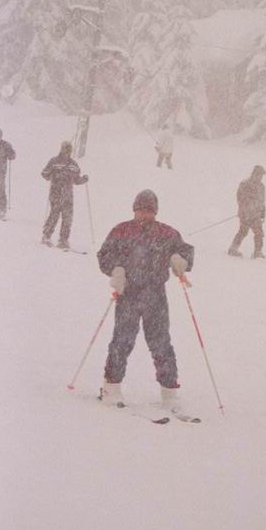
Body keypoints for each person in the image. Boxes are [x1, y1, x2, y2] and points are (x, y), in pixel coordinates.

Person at [97, 189, 194, 411]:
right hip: (128, 293)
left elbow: (185, 251)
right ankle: (111, 387)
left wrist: (180, 260)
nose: (144, 215)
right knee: (122, 341)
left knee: (161, 343)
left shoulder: (167, 233)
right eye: (140, 210)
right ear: (134, 210)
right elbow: (104, 255)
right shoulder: (121, 231)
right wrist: (116, 270)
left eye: (149, 211)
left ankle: (169, 392)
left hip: (155, 295)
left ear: (155, 212)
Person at [41, 141, 88, 249]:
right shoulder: (54, 161)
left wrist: (83, 180)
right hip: (56, 193)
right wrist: (51, 175)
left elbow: (76, 180)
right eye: (66, 149)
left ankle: (64, 240)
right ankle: (46, 236)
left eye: (69, 150)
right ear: (61, 149)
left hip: (68, 195)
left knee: (67, 217)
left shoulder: (73, 165)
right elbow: (44, 173)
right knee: (54, 214)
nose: (67, 152)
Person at [228, 165, 266, 259]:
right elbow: (240, 199)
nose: (261, 177)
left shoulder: (261, 186)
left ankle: (257, 252)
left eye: (262, 175)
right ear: (254, 174)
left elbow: (262, 201)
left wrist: (262, 212)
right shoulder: (245, 184)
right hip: (245, 214)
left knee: (259, 233)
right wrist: (244, 210)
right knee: (243, 231)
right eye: (259, 174)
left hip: (256, 214)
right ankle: (233, 249)